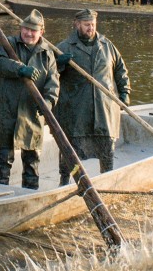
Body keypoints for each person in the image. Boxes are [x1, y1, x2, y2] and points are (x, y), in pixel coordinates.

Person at [54, 10, 130, 186]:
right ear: (77, 24)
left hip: (104, 108)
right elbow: (48, 75)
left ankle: (106, 181)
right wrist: (58, 64)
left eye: (93, 24)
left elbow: (121, 70)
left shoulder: (107, 45)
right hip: (75, 110)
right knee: (69, 150)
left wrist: (124, 93)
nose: (90, 28)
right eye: (87, 25)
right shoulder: (63, 47)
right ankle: (64, 181)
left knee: (107, 148)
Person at [0, 9, 59, 190]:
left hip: (32, 116)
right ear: (21, 28)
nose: (28, 33)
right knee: (3, 162)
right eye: (25, 29)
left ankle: (29, 194)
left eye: (33, 30)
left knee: (32, 164)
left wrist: (48, 103)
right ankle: (0, 194)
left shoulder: (47, 54)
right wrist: (19, 69)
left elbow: (53, 85)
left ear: (41, 32)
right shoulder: (8, 44)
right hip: (6, 113)